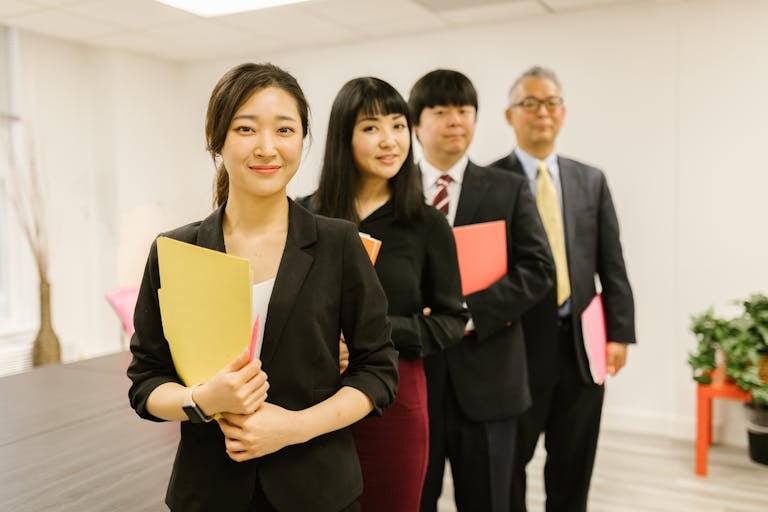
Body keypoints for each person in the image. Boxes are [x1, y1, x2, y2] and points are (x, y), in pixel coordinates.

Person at [127, 62, 399, 512]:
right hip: (209, 493)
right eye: (246, 129)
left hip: (318, 491)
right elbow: (146, 381)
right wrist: (201, 401)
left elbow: (378, 370)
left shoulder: (338, 243)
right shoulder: (175, 250)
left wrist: (294, 428)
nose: (267, 147)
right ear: (217, 139)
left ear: (303, 139)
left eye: (285, 129)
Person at [300, 76, 468, 512]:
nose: (390, 141)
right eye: (371, 127)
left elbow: (451, 320)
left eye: (398, 126)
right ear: (344, 137)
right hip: (311, 397)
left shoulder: (427, 224)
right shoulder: (303, 216)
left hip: (394, 397)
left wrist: (375, 334)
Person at [490, 65, 636, 512]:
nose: (542, 112)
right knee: (508, 465)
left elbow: (612, 262)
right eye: (530, 103)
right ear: (509, 115)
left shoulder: (590, 179)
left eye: (551, 103)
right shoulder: (490, 182)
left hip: (580, 346)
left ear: (563, 112)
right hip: (515, 348)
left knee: (574, 464)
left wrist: (620, 333)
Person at [408, 69, 554, 512]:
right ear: (415, 124)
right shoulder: (393, 191)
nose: (456, 120)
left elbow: (538, 268)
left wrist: (467, 314)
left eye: (465, 110)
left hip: (490, 380)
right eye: (441, 111)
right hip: (413, 380)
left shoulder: (507, 188)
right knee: (412, 500)